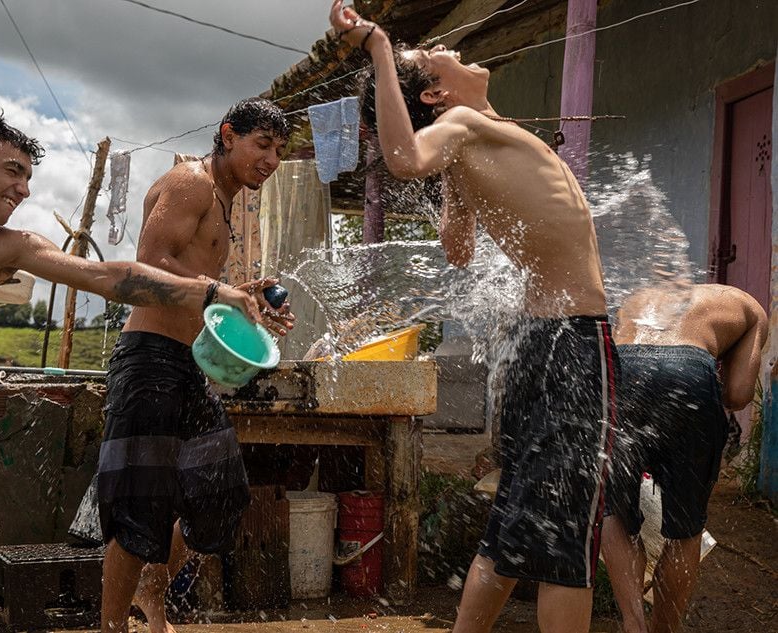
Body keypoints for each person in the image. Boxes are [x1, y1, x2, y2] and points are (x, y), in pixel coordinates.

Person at [0, 102, 259, 633]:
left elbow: (109, 278)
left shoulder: (8, 248)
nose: (25, 190)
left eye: (30, 178)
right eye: (13, 172)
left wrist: (213, 291)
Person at [329, 3, 615, 632]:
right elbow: (404, 160)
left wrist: (455, 181)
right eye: (435, 57)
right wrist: (380, 48)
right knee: (568, 537)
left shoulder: (469, 136)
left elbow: (458, 249)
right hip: (572, 341)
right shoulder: (460, 120)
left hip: (541, 341)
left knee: (517, 517)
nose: (453, 51)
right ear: (434, 92)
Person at [99, 97, 292, 633]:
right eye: (263, 144)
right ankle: (111, 626)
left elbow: (192, 278)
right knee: (139, 507)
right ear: (228, 135)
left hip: (188, 365)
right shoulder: (191, 183)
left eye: (279, 150)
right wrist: (219, 290)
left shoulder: (225, 202)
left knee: (219, 491)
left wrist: (243, 296)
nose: (272, 160)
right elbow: (146, 263)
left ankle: (151, 595)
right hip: (148, 362)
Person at [601, 283, 767, 633]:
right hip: (689, 372)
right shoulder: (751, 309)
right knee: (684, 531)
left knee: (615, 512)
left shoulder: (641, 295)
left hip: (625, 370)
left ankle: (633, 624)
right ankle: (666, 628)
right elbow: (737, 395)